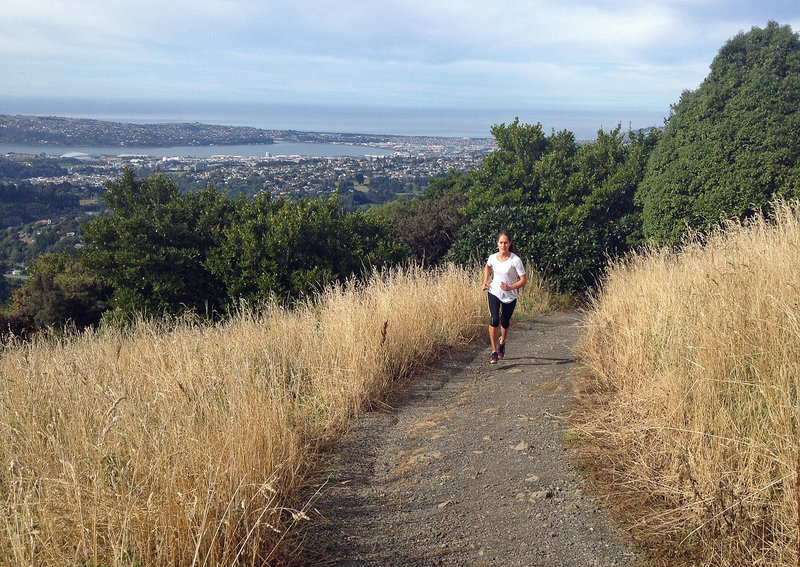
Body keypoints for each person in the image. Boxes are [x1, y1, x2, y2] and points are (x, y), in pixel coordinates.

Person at [481, 231, 527, 364]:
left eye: (506, 243)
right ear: (497, 244)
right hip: (494, 291)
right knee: (494, 320)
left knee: (505, 322)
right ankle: (494, 351)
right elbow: (487, 267)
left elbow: (523, 280)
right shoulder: (493, 257)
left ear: (510, 243)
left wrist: (510, 287)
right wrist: (485, 281)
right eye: (501, 242)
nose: (503, 245)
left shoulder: (515, 260)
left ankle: (502, 342)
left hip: (510, 295)